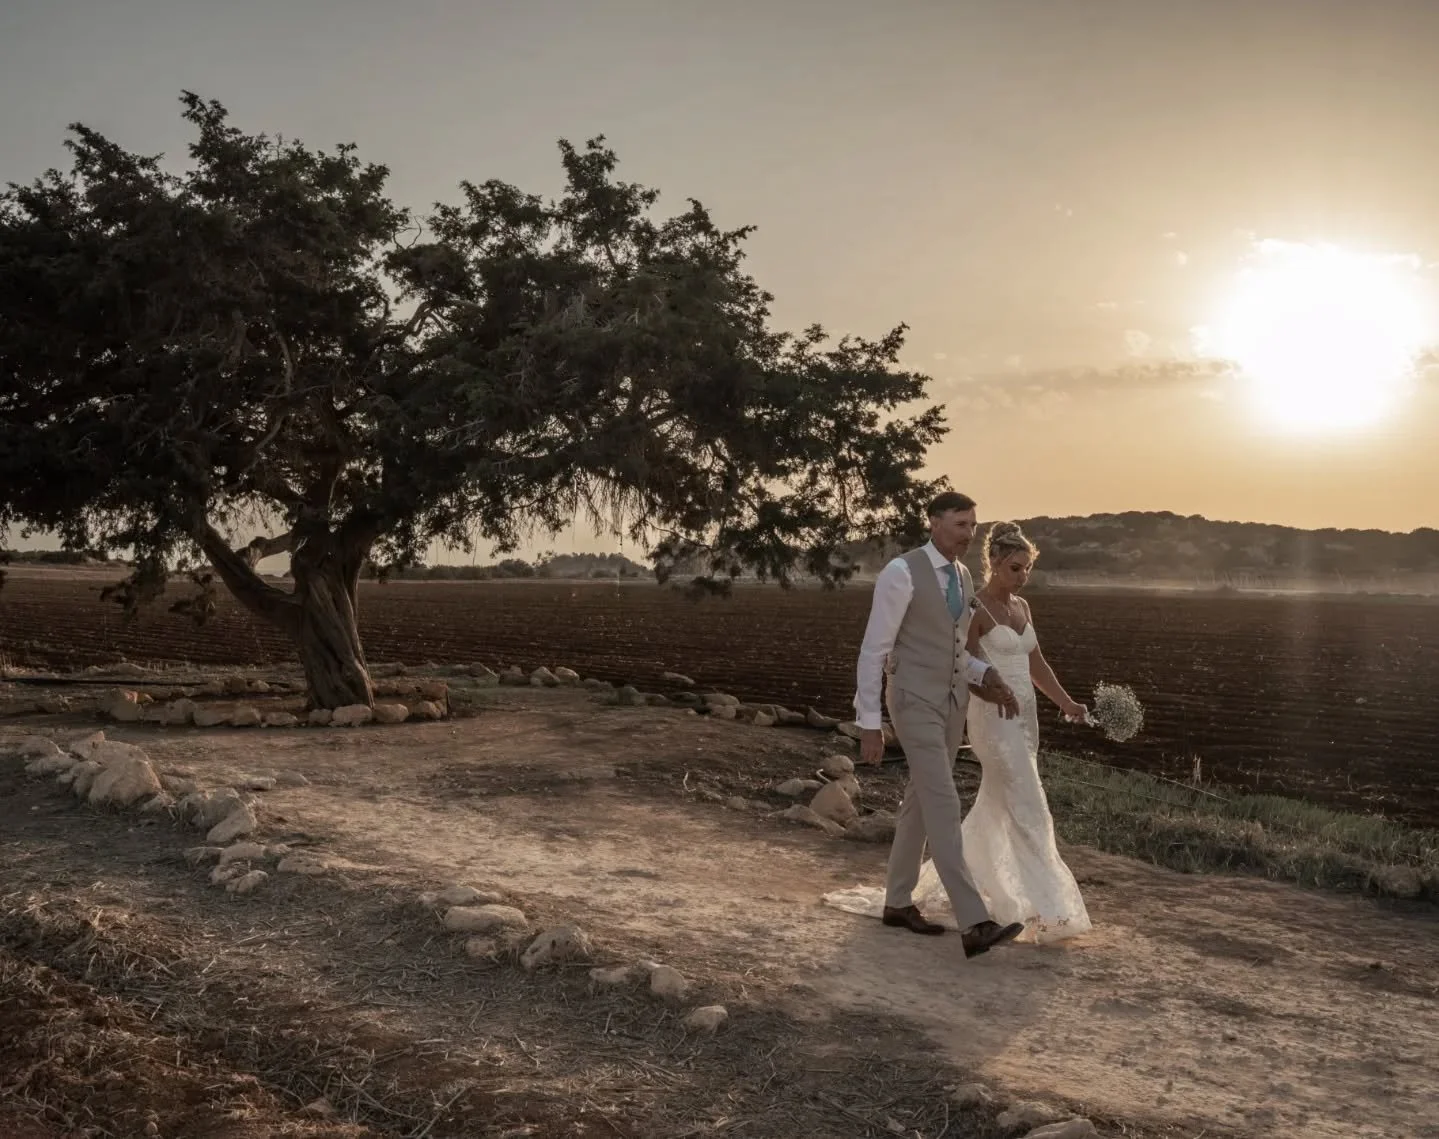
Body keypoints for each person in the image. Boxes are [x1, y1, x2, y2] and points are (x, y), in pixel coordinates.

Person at [830, 491, 1026, 959]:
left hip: (952, 703)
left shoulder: (962, 576)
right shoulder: (901, 573)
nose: (969, 533)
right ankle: (974, 922)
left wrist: (988, 676)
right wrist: (870, 723)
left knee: (920, 802)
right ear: (934, 522)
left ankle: (897, 903)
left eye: (973, 525)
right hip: (913, 700)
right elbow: (874, 650)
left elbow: (955, 650)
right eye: (960, 524)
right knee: (942, 800)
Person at [958, 521, 1093, 943]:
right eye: (1015, 568)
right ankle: (1048, 908)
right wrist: (991, 694)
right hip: (993, 716)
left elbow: (1037, 665)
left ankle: (970, 885)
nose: (1022, 576)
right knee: (1029, 802)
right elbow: (965, 667)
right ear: (994, 562)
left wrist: (1067, 703)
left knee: (998, 804)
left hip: (1026, 717)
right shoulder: (974, 608)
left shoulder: (1023, 607)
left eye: (1028, 569)